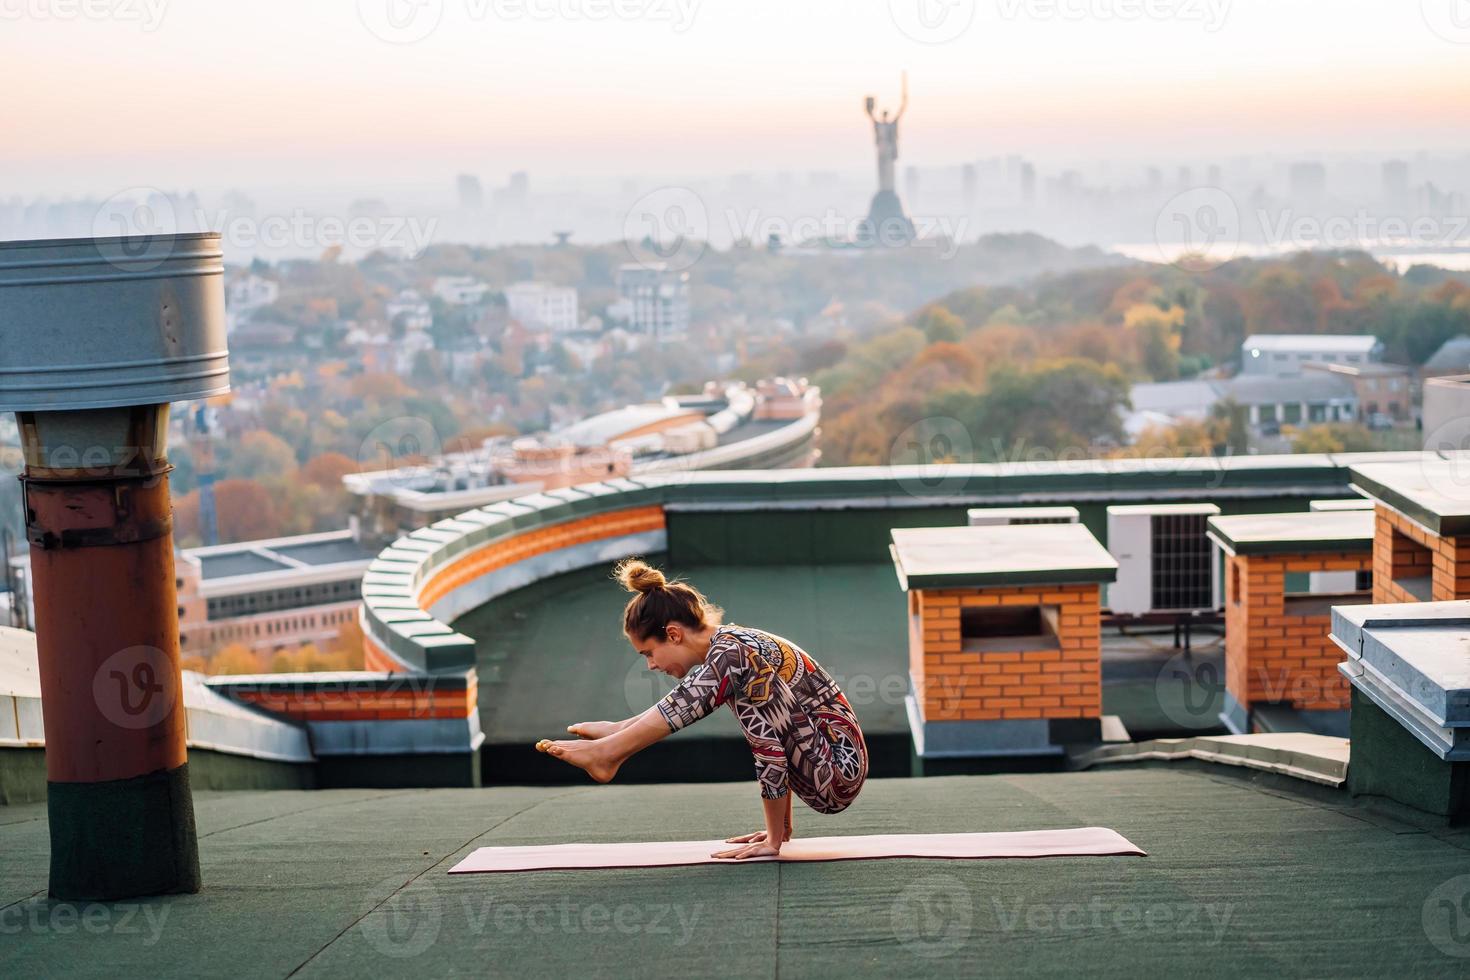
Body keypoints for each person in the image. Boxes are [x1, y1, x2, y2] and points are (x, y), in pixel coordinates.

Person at [535, 559, 869, 860]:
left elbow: (770, 750)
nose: (651, 665)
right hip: (821, 762)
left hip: (836, 772)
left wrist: (773, 842)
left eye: (648, 653)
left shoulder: (733, 654)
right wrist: (779, 830)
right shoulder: (734, 652)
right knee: (726, 678)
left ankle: (612, 748)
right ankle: (618, 738)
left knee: (728, 670)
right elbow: (780, 731)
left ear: (673, 634)